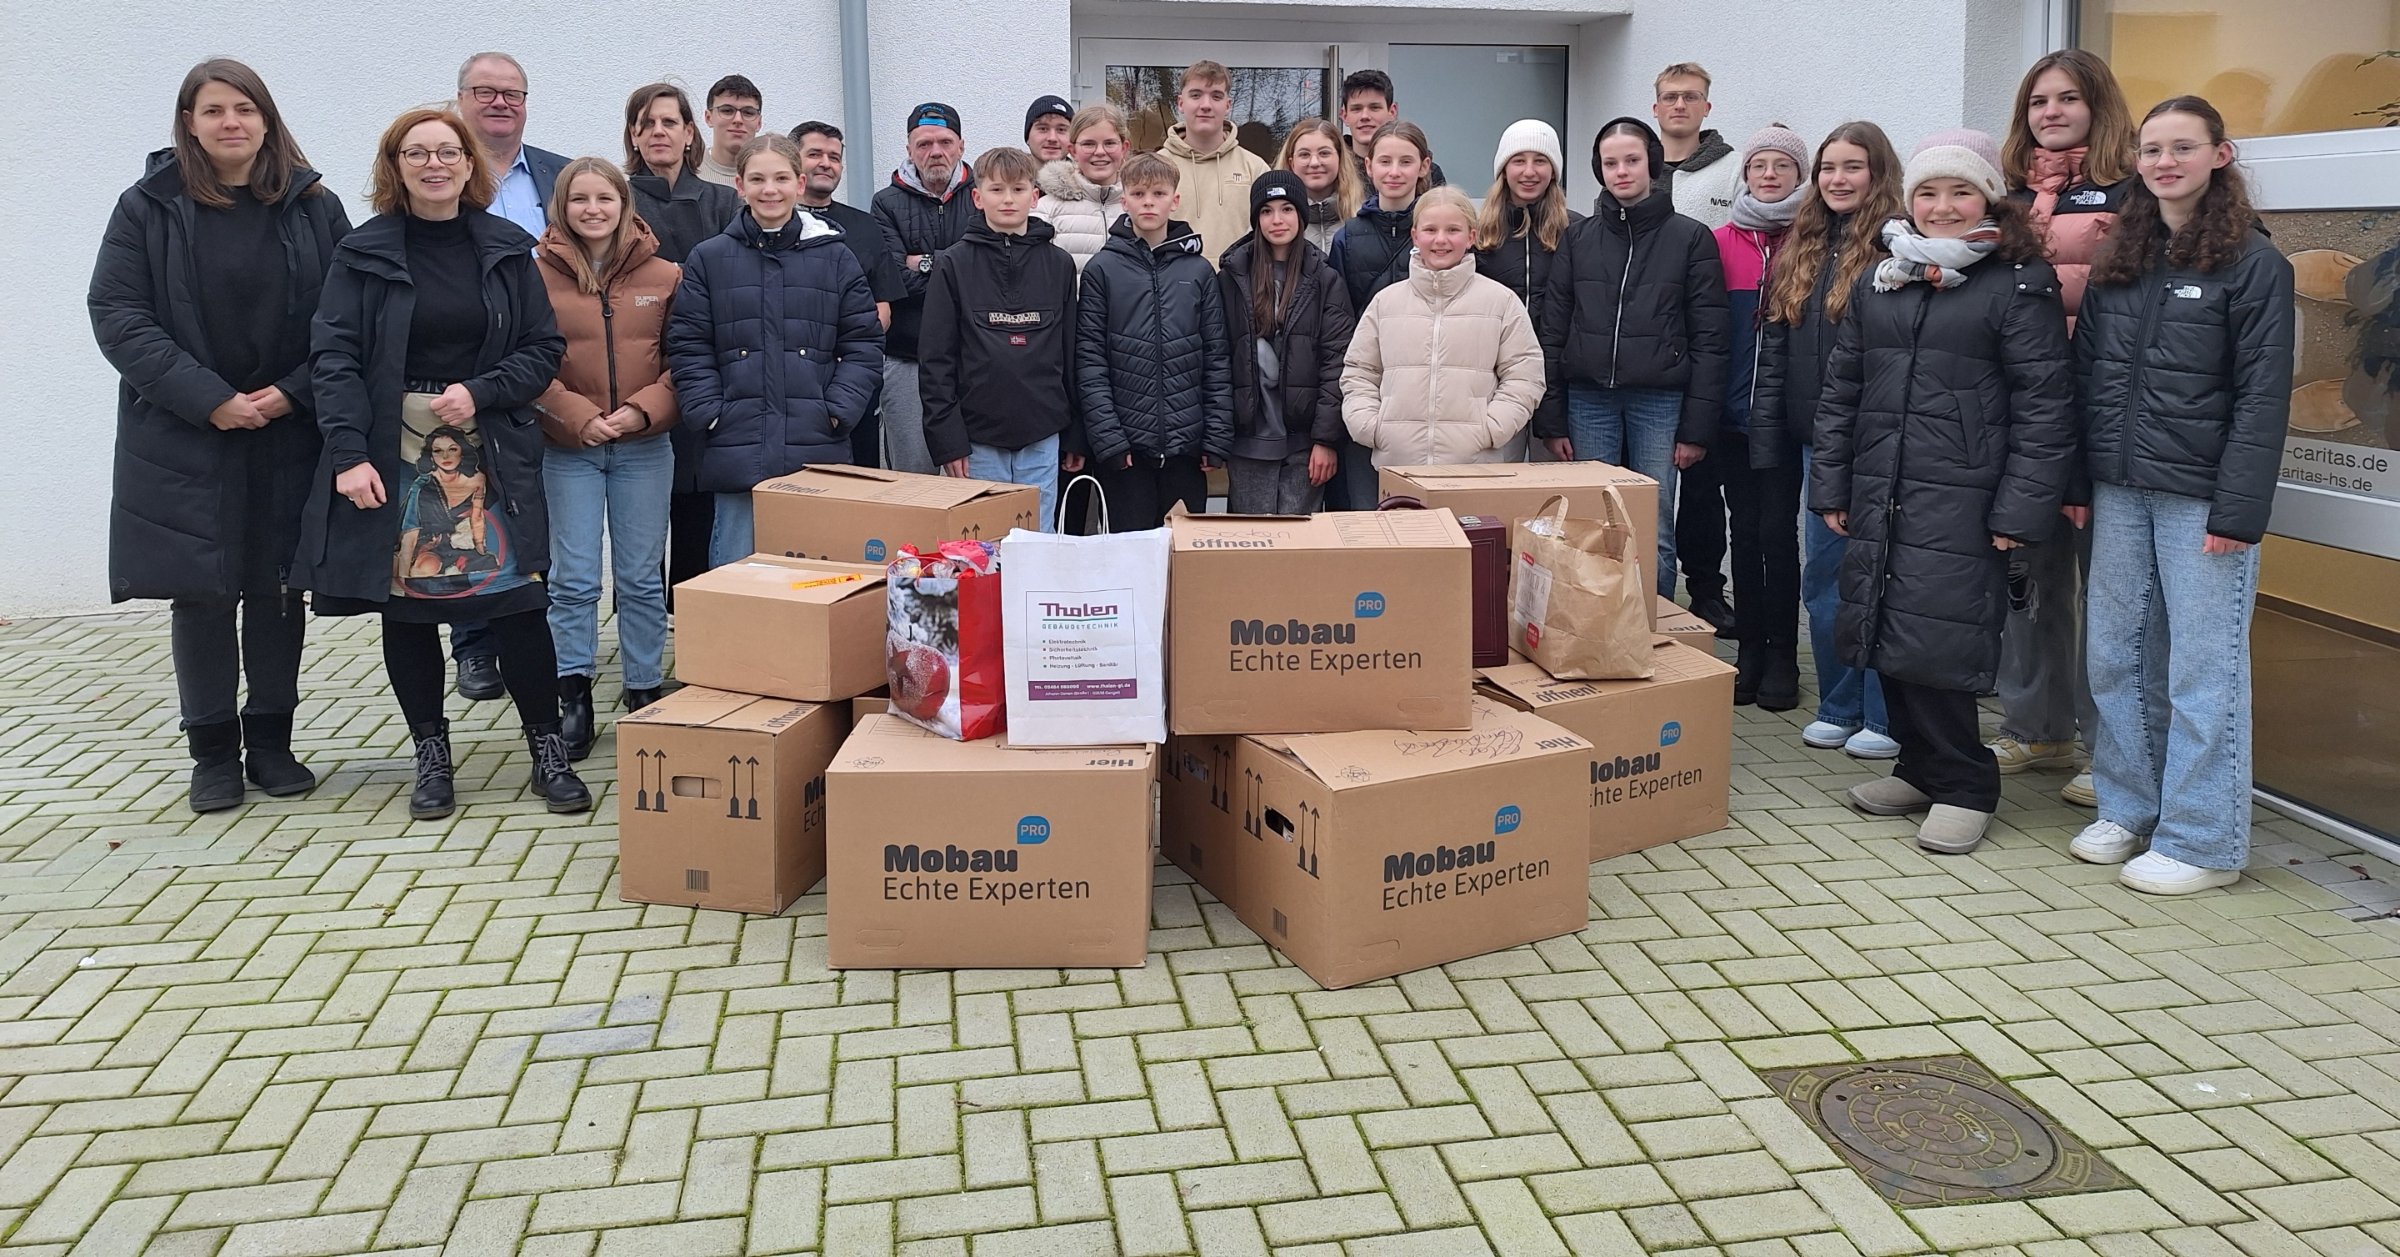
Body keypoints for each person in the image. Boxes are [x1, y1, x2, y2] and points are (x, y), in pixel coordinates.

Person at [293, 106, 584, 821]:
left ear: (468, 163)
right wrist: (348, 455)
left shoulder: (506, 248)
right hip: (394, 451)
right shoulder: (363, 253)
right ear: (395, 166)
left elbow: (544, 350)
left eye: (447, 151)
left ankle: (545, 745)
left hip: (490, 449)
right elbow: (332, 358)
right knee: (409, 610)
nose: (434, 164)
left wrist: (479, 392)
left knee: (518, 603)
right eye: (416, 152)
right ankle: (431, 753)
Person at [90, 58, 350, 813]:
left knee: (275, 588)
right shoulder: (146, 207)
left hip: (284, 427)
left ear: (267, 120)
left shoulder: (312, 206)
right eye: (213, 110)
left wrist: (290, 393)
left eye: (244, 108)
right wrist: (212, 400)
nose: (230, 122)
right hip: (184, 434)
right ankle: (212, 752)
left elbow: (346, 314)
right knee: (202, 593)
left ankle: (270, 741)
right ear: (189, 123)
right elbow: (118, 315)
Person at [1813, 129, 2075, 855]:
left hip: (1965, 493)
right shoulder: (1885, 277)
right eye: (1929, 192)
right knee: (1885, 630)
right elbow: (1843, 392)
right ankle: (1919, 767)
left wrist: (2020, 509)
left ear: (1988, 197)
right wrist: (1832, 482)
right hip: (1883, 485)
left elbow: (2044, 404)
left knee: (1942, 637)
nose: (1943, 206)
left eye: (1960, 191)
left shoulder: (2016, 281)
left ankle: (1966, 783)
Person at [2068, 96, 2294, 895]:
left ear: (2219, 157)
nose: (2165, 161)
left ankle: (2205, 840)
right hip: (2119, 487)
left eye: (2183, 148)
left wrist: (2239, 511)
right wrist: (2075, 479)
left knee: (2203, 669)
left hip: (2202, 497)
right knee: (2116, 655)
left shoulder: (2255, 264)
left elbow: (2263, 398)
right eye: (2153, 149)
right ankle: (2129, 809)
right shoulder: (2122, 258)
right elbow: (2086, 374)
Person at [1991, 49, 2137, 808]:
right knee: (2031, 581)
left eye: (2067, 98)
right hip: (2025, 416)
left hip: (2101, 411)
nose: (2050, 111)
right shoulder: (2012, 200)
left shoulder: (2131, 192)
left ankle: (2105, 745)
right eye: (2038, 101)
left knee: (2105, 590)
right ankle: (2035, 727)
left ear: (2097, 104)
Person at [1752, 122, 1906, 761]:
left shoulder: (1897, 246)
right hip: (1816, 441)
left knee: (1881, 579)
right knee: (1825, 578)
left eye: (1853, 167)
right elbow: (1776, 353)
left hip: (1880, 442)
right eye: (1829, 168)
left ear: (1878, 174)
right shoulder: (1802, 247)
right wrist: (1769, 440)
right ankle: (1840, 704)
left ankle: (1883, 714)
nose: (1838, 179)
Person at [670, 134, 885, 567]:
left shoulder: (835, 258)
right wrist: (710, 411)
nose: (770, 189)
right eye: (758, 179)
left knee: (814, 578)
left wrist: (838, 409)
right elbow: (688, 343)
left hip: (817, 441)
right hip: (736, 441)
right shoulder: (709, 259)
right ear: (739, 186)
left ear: (800, 183)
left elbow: (863, 342)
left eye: (781, 178)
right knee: (736, 577)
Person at [1540, 117, 1729, 597]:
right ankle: (1594, 629)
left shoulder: (1690, 238)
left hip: (1660, 404)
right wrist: (1553, 419)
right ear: (1598, 171)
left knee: (1653, 526)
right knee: (1591, 526)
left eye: (1632, 160)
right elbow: (1553, 330)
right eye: (1610, 163)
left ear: (1652, 164)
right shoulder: (1578, 238)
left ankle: (1653, 632)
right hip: (1588, 402)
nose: (1622, 171)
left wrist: (1696, 428)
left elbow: (1711, 339)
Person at [533, 158, 682, 760]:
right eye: (579, 199)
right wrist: (578, 417)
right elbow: (525, 360)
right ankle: (572, 693)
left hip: (645, 446)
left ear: (624, 205)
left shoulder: (666, 274)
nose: (592, 209)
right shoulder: (533, 275)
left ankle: (644, 687)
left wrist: (643, 411)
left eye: (604, 198)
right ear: (561, 207)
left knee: (643, 578)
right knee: (571, 579)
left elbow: (686, 360)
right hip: (569, 447)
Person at [451, 52, 566, 701]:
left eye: (513, 93)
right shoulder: (443, 168)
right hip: (464, 372)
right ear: (461, 98)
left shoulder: (554, 173)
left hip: (538, 362)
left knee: (528, 510)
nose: (500, 103)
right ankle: (473, 648)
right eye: (486, 92)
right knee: (469, 511)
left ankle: (533, 632)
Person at [920, 147, 1079, 526]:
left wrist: (1077, 434)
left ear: (1035, 196)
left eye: (1019, 189)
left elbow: (1071, 354)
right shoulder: (953, 265)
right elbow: (936, 360)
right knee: (982, 547)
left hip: (1042, 436)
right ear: (977, 197)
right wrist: (947, 440)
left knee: (1036, 541)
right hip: (977, 439)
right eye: (996, 190)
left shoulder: (1059, 265)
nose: (1008, 199)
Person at [1709, 124, 1811, 712]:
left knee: (1779, 536)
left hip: (1787, 423)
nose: (1769, 175)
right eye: (1758, 166)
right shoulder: (1720, 243)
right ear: (1744, 175)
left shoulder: (1812, 243)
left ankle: (1781, 655)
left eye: (1781, 165)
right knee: (1741, 537)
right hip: (1733, 421)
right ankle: (1747, 652)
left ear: (1800, 175)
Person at [1075, 152, 1232, 530]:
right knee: (1128, 562)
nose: (1149, 201)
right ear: (1123, 200)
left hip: (1187, 450)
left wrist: (1215, 437)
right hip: (1127, 452)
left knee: (1183, 559)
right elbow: (1091, 362)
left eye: (1159, 193)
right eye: (1139, 193)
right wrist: (1110, 440)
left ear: (1174, 200)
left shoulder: (1199, 272)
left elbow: (1216, 357)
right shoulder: (1102, 270)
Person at [1341, 188, 1545, 469]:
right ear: (1415, 236)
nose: (1440, 240)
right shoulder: (1385, 303)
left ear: (1471, 236)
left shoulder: (1501, 302)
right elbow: (1359, 372)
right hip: (1400, 467)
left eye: (1453, 230)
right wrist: (1372, 426)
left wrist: (1492, 429)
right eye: (1430, 229)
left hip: (1478, 467)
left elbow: (1525, 375)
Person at [1220, 172, 1354, 513]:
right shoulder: (1232, 277)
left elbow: (1337, 362)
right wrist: (1217, 436)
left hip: (1303, 444)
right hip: (1248, 443)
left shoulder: (1325, 278)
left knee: (1297, 553)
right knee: (1250, 550)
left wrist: (1325, 440)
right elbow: (1216, 359)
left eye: (1287, 209)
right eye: (1266, 211)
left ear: (1301, 215)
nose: (1277, 220)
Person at [791, 121, 908, 468]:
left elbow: (882, 307)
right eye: (814, 154)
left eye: (834, 157)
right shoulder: (771, 222)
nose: (825, 163)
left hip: (853, 382)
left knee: (858, 480)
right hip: (792, 382)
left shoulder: (862, 225)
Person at [873, 102, 981, 475]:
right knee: (913, 476)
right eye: (923, 144)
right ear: (908, 150)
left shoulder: (983, 196)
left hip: (975, 359)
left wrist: (920, 260)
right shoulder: (885, 203)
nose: (935, 152)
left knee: (971, 476)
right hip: (907, 357)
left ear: (962, 145)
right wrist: (955, 268)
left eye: (945, 142)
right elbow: (895, 279)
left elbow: (987, 273)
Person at [1158, 60, 1269, 269]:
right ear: (1180, 103)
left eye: (1216, 96)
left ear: (1228, 105)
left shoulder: (1255, 169)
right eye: (1196, 95)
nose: (1206, 105)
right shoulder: (1157, 167)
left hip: (1239, 289)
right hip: (1174, 291)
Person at [623, 83, 739, 263]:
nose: (658, 131)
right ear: (633, 135)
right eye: (647, 123)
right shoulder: (620, 203)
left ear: (689, 133)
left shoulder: (725, 203)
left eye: (669, 122)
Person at [1033, 103, 1129, 272]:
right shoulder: (1045, 210)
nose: (1099, 152)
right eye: (1088, 144)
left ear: (1124, 148)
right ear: (1073, 151)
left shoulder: (1139, 206)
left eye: (1109, 143)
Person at [1654, 62, 1737, 231]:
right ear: (1656, 109)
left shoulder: (1736, 169)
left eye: (1690, 97)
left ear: (1706, 108)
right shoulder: (1631, 168)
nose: (1680, 105)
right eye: (1670, 97)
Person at [1338, 70, 1448, 188]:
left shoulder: (1429, 174)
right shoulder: (1335, 169)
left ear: (1392, 111)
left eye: (1374, 108)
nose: (1365, 116)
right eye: (1356, 109)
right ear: (1344, 115)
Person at [1275, 118, 1363, 253]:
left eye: (1324, 153)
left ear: (1340, 158)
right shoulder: (1272, 223)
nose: (1314, 162)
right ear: (1291, 162)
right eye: (1304, 154)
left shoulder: (1364, 219)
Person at [699, 75, 764, 188]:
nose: (738, 120)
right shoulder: (689, 171)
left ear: (759, 123)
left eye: (748, 112)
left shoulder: (772, 176)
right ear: (709, 118)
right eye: (727, 111)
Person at [1025, 94, 1074, 164]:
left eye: (1061, 130)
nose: (1052, 138)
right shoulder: (1007, 174)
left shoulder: (1088, 174)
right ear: (1027, 137)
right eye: (1043, 129)